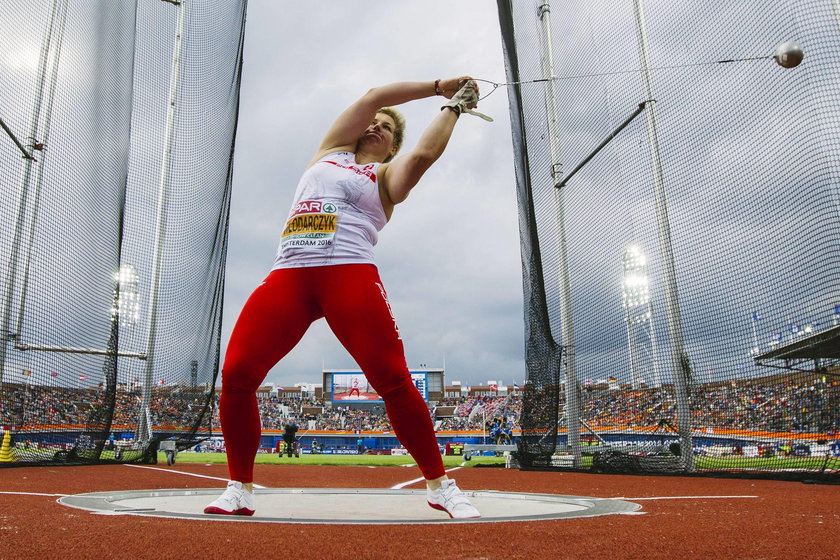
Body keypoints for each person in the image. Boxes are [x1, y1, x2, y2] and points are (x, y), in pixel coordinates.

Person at [204, 77, 483, 519]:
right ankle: (239, 487)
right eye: (371, 123)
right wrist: (437, 86)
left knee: (392, 379)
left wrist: (454, 107)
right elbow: (374, 97)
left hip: (349, 272)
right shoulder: (329, 153)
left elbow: (425, 156)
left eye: (387, 128)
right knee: (237, 374)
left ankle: (438, 484)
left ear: (392, 147)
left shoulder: (386, 175)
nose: (375, 126)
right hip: (289, 275)